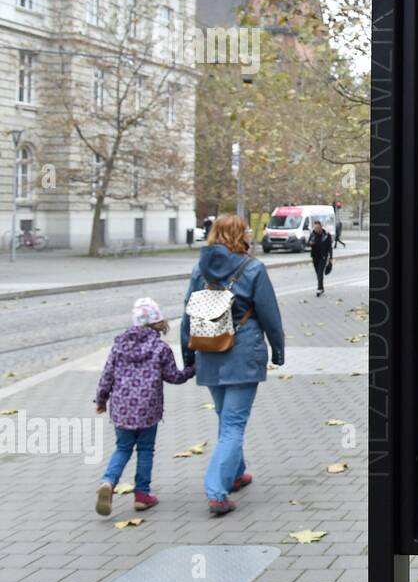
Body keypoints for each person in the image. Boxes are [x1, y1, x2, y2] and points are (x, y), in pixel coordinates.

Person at [181, 214, 285, 515]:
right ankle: (216, 492)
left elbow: (187, 314)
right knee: (233, 423)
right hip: (243, 352)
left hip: (208, 351)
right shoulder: (253, 268)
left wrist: (188, 355)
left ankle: (237, 473)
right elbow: (269, 315)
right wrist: (277, 349)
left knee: (226, 418)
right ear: (241, 235)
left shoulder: (199, 270)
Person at [93, 297, 194, 516]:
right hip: (148, 409)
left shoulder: (119, 345)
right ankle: (142, 495)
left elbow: (107, 376)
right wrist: (193, 369)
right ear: (158, 322)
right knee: (146, 449)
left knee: (122, 448)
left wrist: (101, 400)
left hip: (122, 408)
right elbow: (174, 377)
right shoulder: (160, 348)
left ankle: (108, 483)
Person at [308, 219, 333, 296]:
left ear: (321, 227)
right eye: (315, 228)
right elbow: (308, 243)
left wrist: (331, 257)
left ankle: (319, 288)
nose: (316, 230)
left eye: (318, 228)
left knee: (320, 272)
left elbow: (330, 247)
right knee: (318, 273)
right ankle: (321, 288)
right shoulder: (312, 234)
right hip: (315, 256)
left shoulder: (326, 235)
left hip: (323, 256)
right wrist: (310, 243)